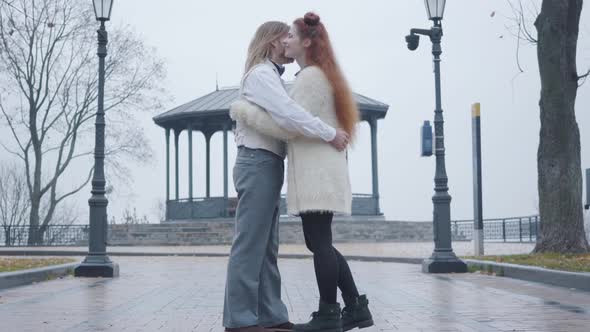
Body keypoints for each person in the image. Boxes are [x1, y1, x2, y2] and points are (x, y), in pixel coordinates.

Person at [230, 12, 373, 332]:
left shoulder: (301, 77)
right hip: (266, 163)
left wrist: (244, 112)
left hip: (304, 169)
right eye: (284, 37)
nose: (287, 42)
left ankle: (324, 312)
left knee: (286, 245)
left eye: (292, 37)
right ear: (271, 42)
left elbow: (289, 119)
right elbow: (288, 117)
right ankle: (245, 318)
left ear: (306, 42)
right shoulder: (266, 75)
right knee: (259, 245)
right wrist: (329, 133)